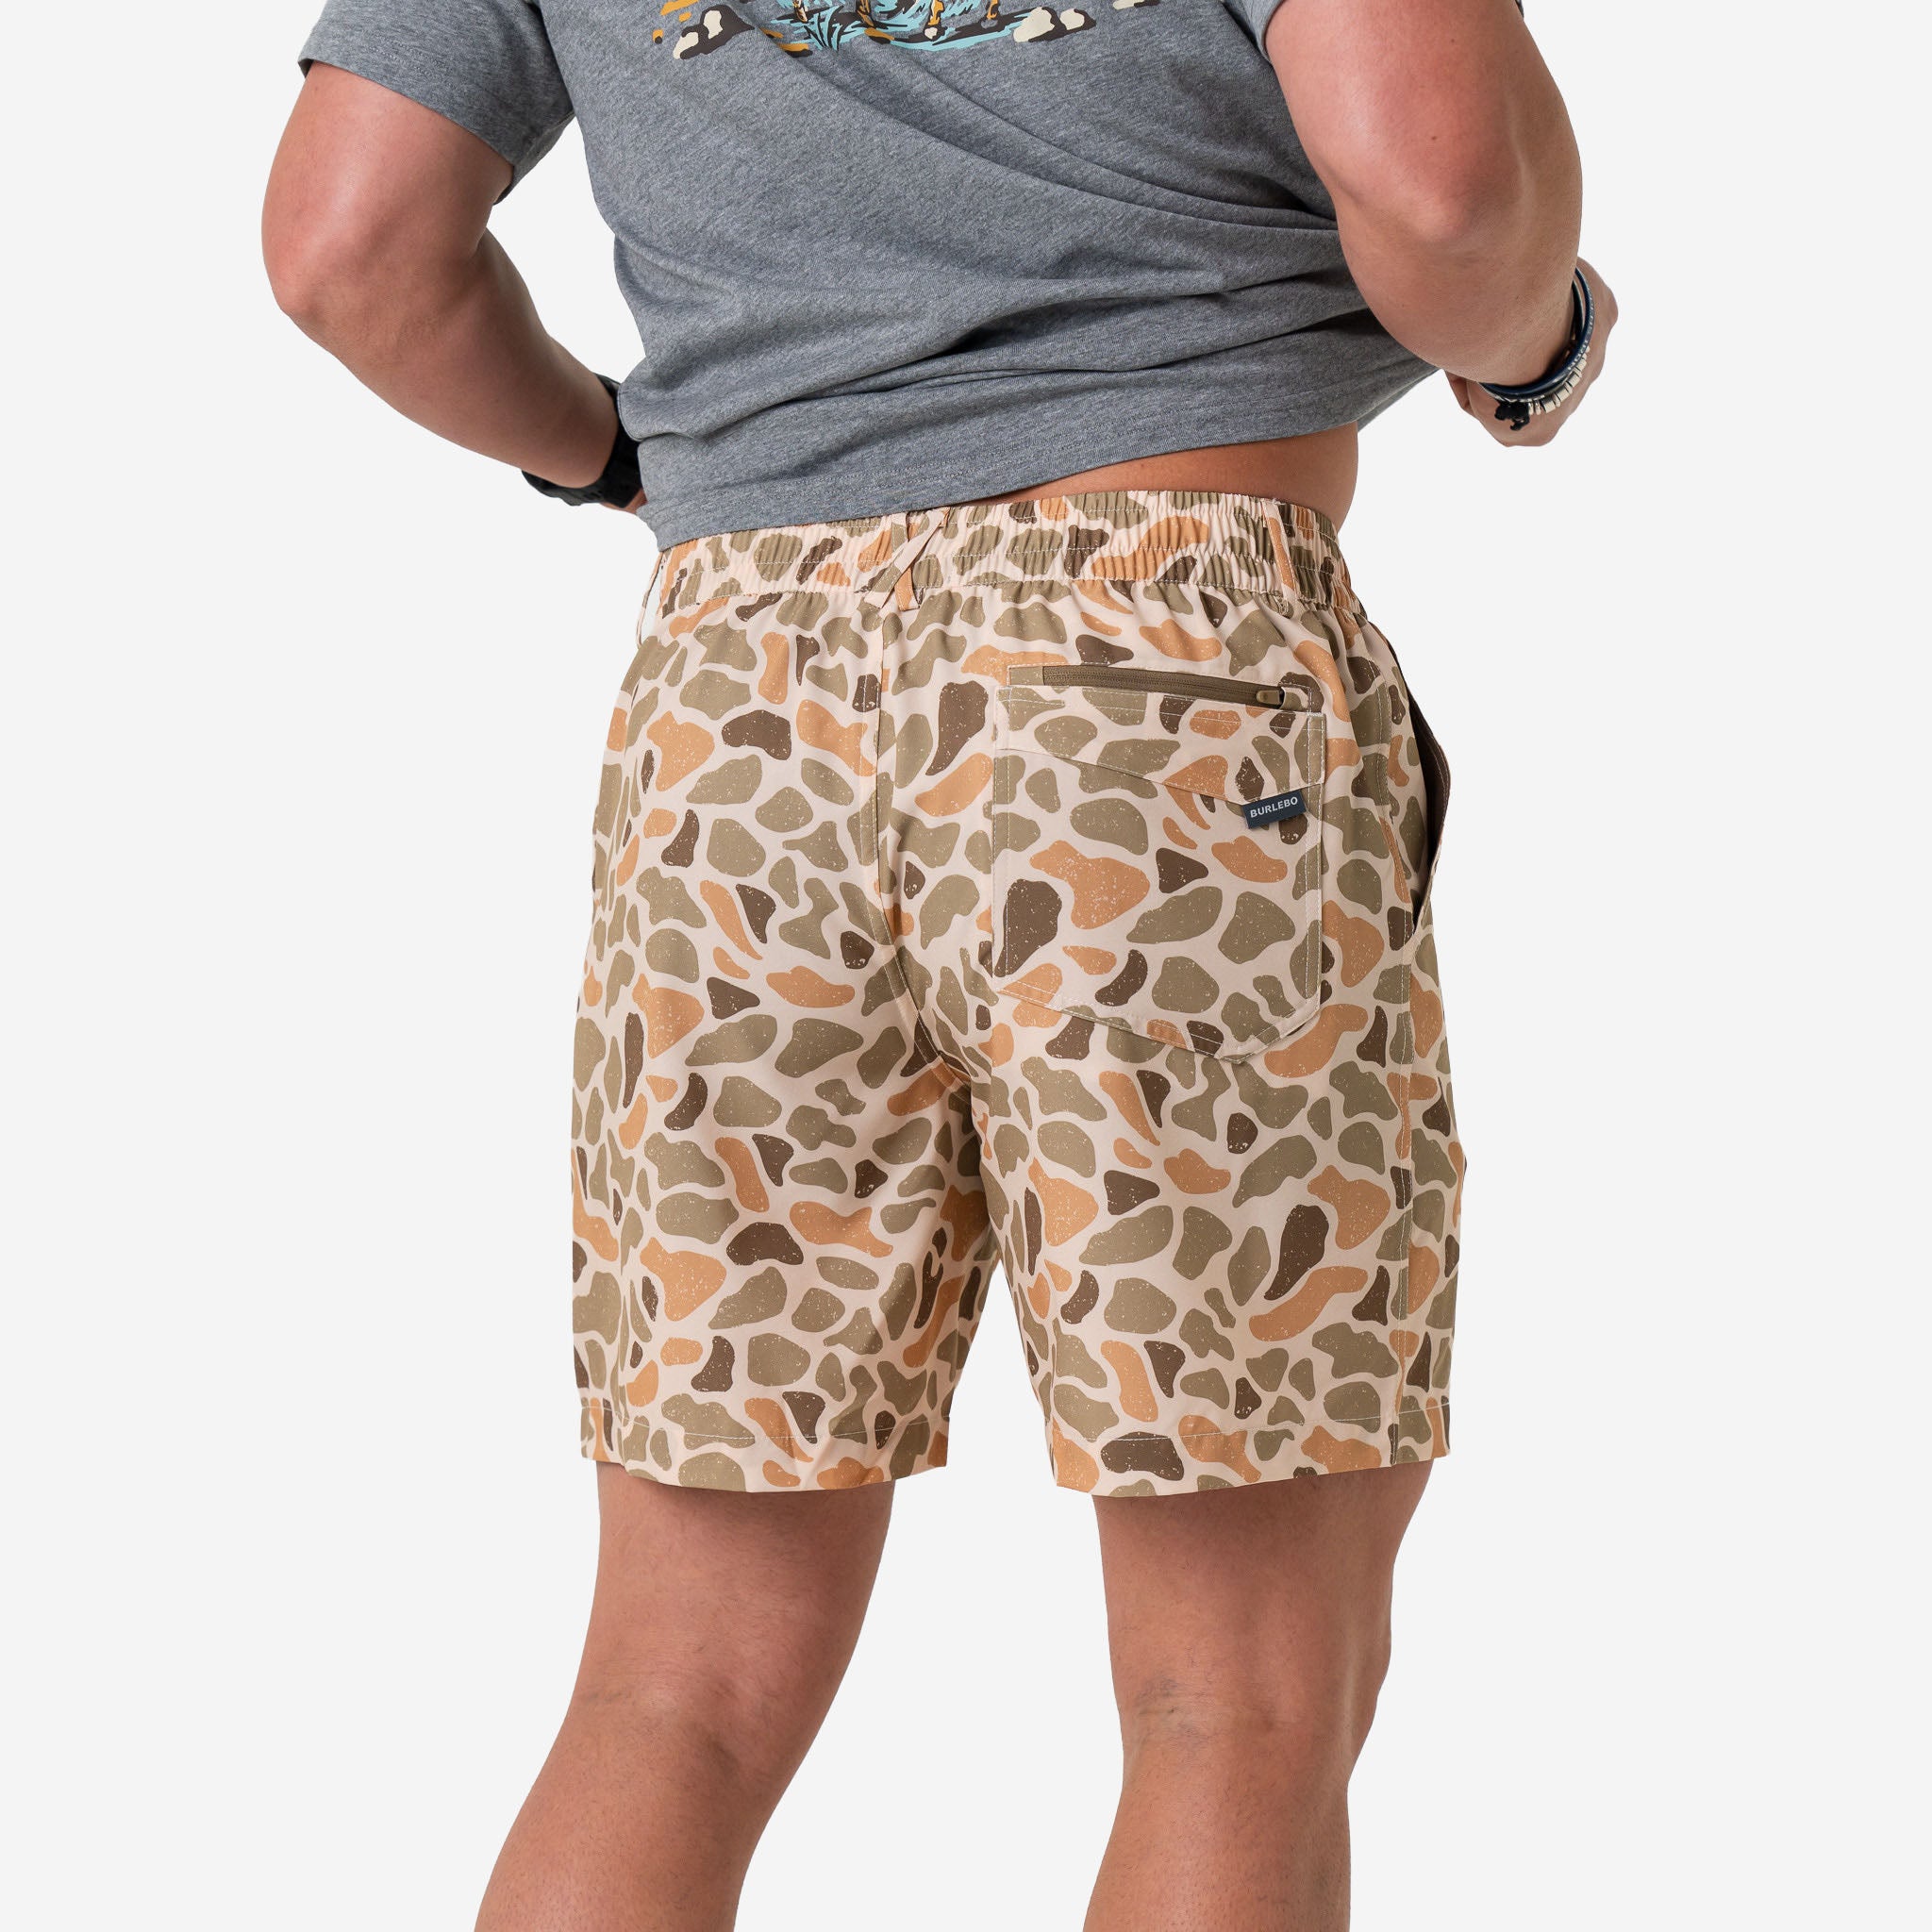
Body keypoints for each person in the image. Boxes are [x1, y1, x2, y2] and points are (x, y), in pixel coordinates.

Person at [263, 0, 1612, 1922]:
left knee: (673, 1687)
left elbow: (348, 243)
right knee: (1234, 1696)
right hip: (1153, 668)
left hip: (740, 697)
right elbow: (1443, 181)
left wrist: (617, 457)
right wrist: (1533, 344)